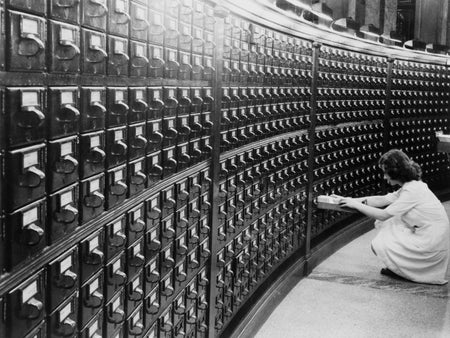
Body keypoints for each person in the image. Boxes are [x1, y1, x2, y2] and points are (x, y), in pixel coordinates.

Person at [335, 149, 450, 285]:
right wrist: (349, 199)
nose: (384, 177)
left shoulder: (412, 191)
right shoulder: (412, 186)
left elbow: (383, 215)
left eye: (386, 173)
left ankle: (404, 270)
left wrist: (356, 205)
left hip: (431, 243)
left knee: (380, 241)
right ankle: (399, 268)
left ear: (396, 173)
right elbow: (382, 200)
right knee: (391, 222)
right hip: (429, 236)